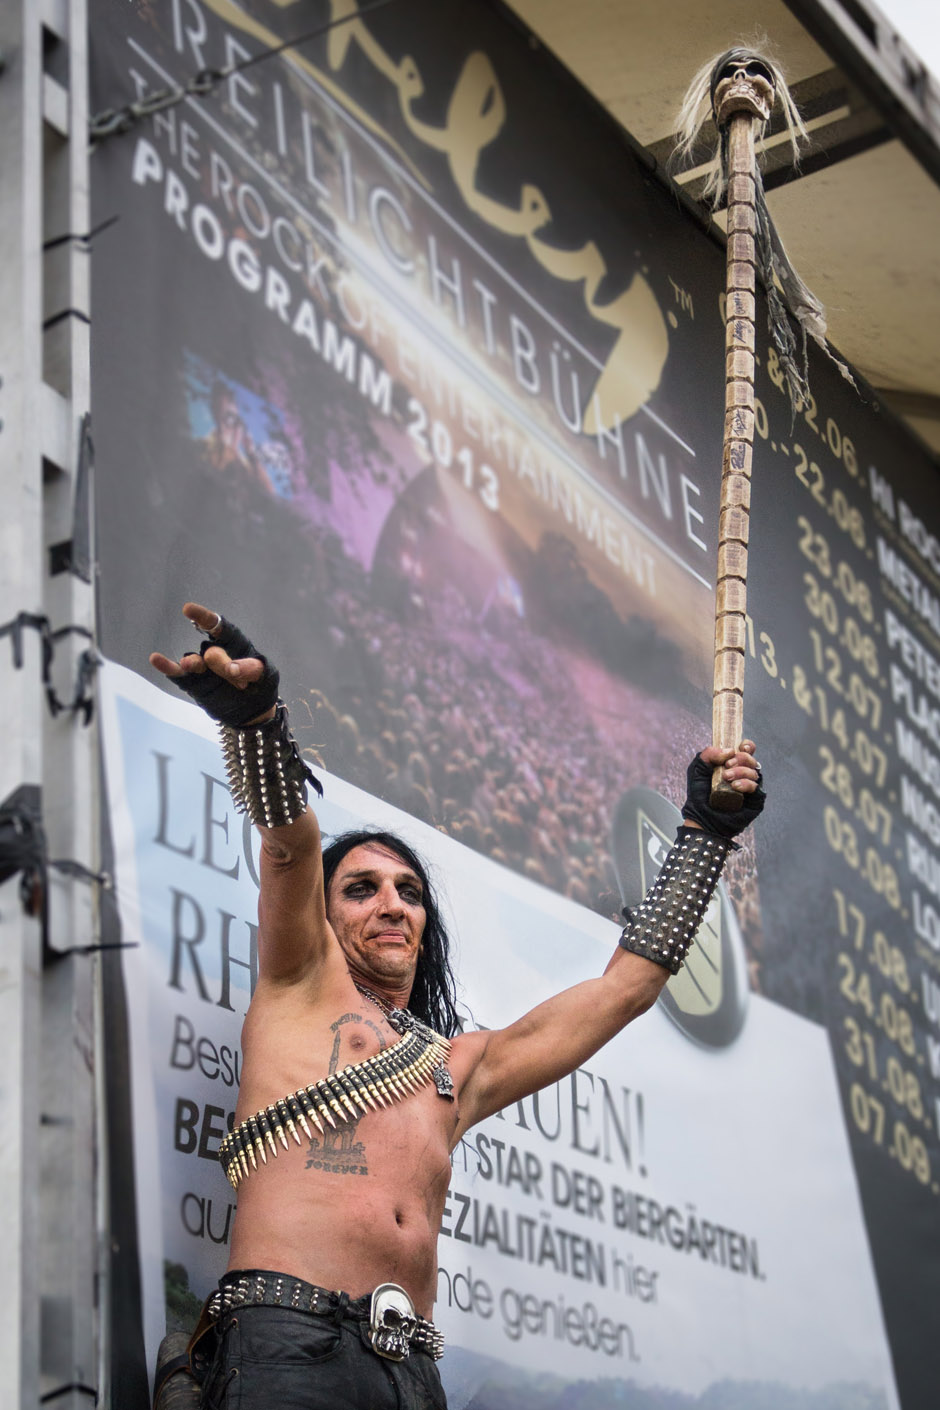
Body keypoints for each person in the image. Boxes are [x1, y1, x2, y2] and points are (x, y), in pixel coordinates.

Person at [149, 603, 764, 1410]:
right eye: (361, 890)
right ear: (323, 919)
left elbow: (625, 989)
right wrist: (258, 721)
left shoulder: (458, 1066)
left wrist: (705, 835)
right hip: (283, 1345)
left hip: (411, 1375)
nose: (392, 905)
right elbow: (292, 842)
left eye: (408, 892)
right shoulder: (297, 983)